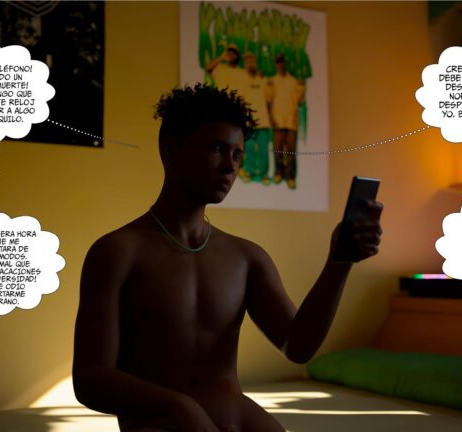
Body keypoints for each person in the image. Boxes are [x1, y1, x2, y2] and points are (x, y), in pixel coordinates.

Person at [72, 84, 383, 432]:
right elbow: (90, 378)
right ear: (170, 148)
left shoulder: (246, 258)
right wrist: (179, 406)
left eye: (237, 155)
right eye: (216, 148)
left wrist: (339, 262)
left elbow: (298, 347)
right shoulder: (117, 252)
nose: (229, 167)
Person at [267, 54, 305, 189]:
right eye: (278, 62)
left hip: (291, 122)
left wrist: (301, 86)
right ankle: (278, 173)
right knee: (278, 150)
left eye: (282, 62)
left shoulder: (293, 81)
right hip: (278, 121)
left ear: (285, 63)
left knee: (291, 152)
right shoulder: (272, 81)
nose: (280, 65)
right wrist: (271, 118)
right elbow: (269, 100)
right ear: (276, 65)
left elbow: (299, 101)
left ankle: (290, 177)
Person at [235, 51, 273, 184]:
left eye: (252, 60)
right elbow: (239, 100)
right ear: (245, 63)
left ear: (255, 62)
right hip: (247, 122)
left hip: (263, 121)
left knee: (263, 149)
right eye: (247, 60)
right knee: (249, 148)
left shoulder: (262, 79)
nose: (250, 63)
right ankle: (249, 172)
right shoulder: (241, 79)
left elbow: (269, 99)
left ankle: (263, 174)